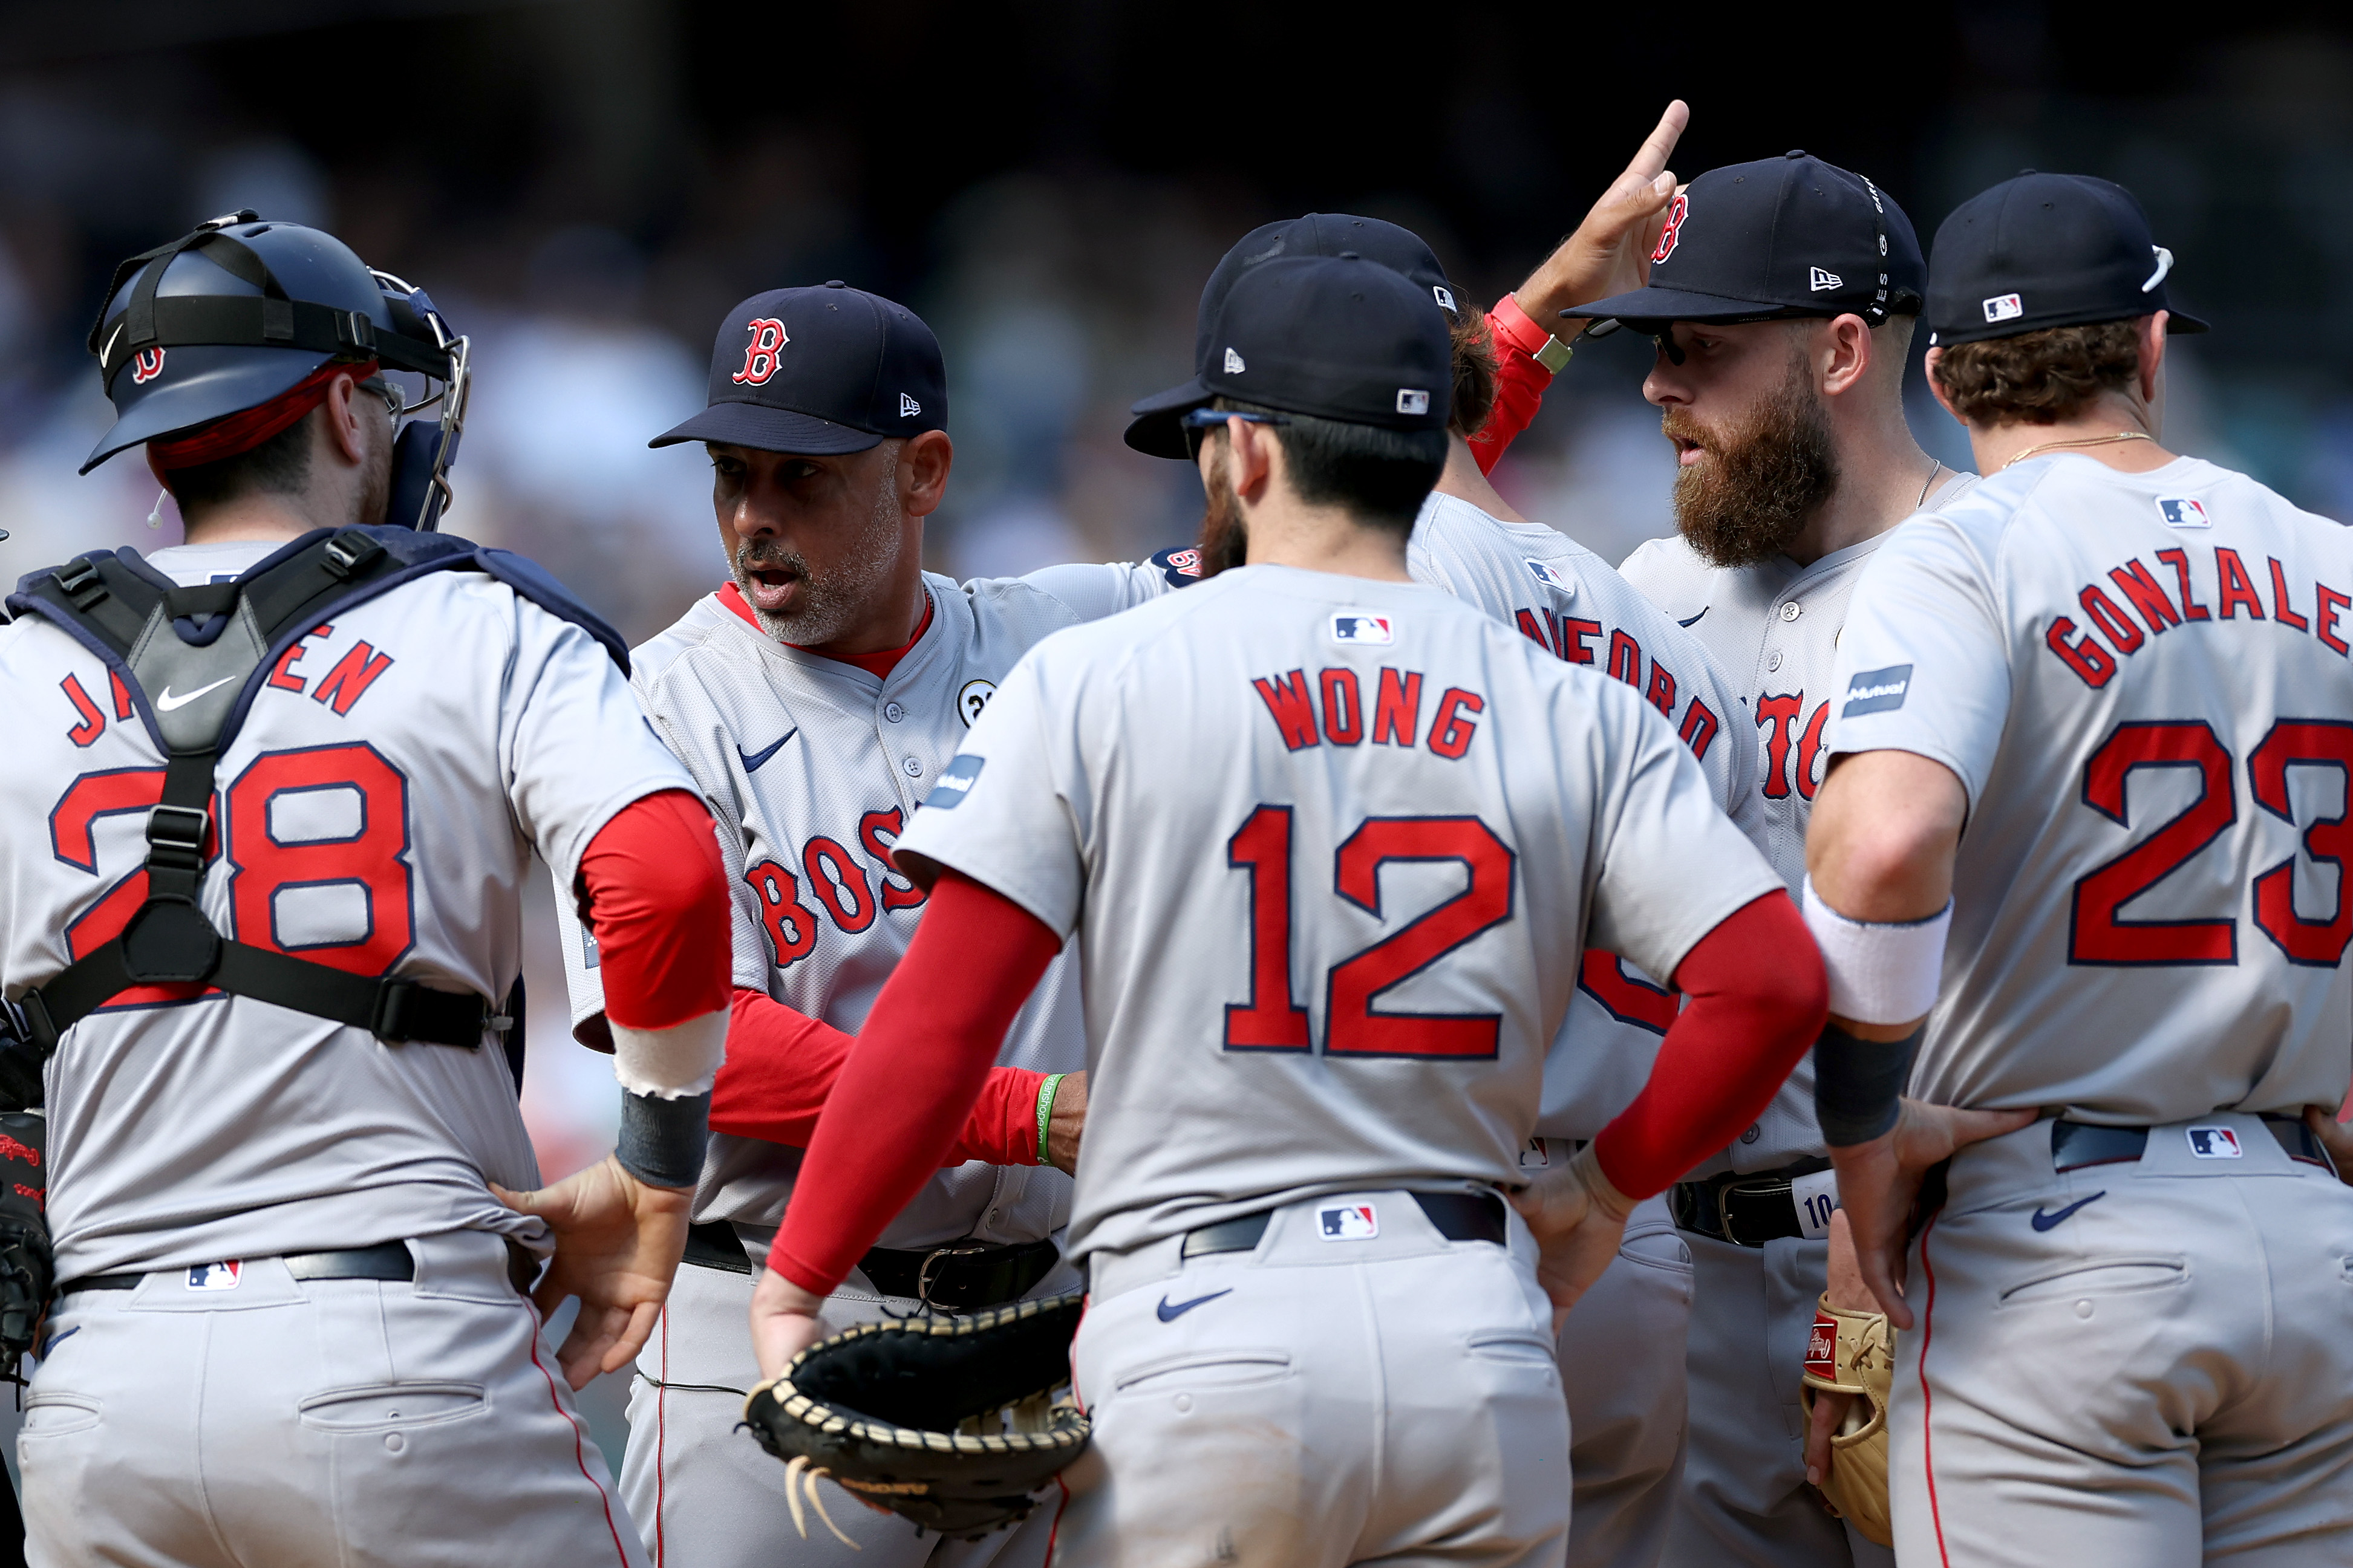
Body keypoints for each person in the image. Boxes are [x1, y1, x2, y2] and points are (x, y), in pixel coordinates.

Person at [750, 252, 1829, 1567]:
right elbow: (1769, 982)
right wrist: (1607, 1189)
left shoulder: (1100, 676)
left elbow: (938, 1025)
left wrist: (796, 1282)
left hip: (1205, 1330)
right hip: (1472, 1332)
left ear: (1246, 452)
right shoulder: (1572, 701)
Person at [0, 213, 730, 1566]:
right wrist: (656, 1167)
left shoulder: (16, 662)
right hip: (399, 1356)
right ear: (345, 407)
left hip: (101, 1394)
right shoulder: (479, 617)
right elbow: (666, 877)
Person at [1127, 203, 1760, 1568]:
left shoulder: (1363, 595)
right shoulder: (1652, 626)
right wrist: (1610, 1185)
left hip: (1389, 1228)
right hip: (1615, 1231)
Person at [552, 281, 1194, 1568]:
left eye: (804, 476)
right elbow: (696, 1039)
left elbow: (1322, 536)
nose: (752, 517)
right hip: (770, 1318)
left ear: (923, 471)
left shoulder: (1061, 629)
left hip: (1051, 1325)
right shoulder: (655, 708)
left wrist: (1511, 346)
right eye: (732, 474)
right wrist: (1020, 1110)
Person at [1812, 171, 2353, 1565]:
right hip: (2308, 1235)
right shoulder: (2330, 558)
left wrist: (1865, 1133)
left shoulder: (1965, 551)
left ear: (1938, 376)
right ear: (2151, 348)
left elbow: (1883, 842)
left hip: (2057, 1251)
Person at [1562, 151, 1971, 1567]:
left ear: (1842, 350)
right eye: (1654, 346)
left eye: (1702, 349)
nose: (1656, 385)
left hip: (1944, 1251)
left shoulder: (1998, 570)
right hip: (1682, 1249)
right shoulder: (1644, 593)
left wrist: (1870, 1258)